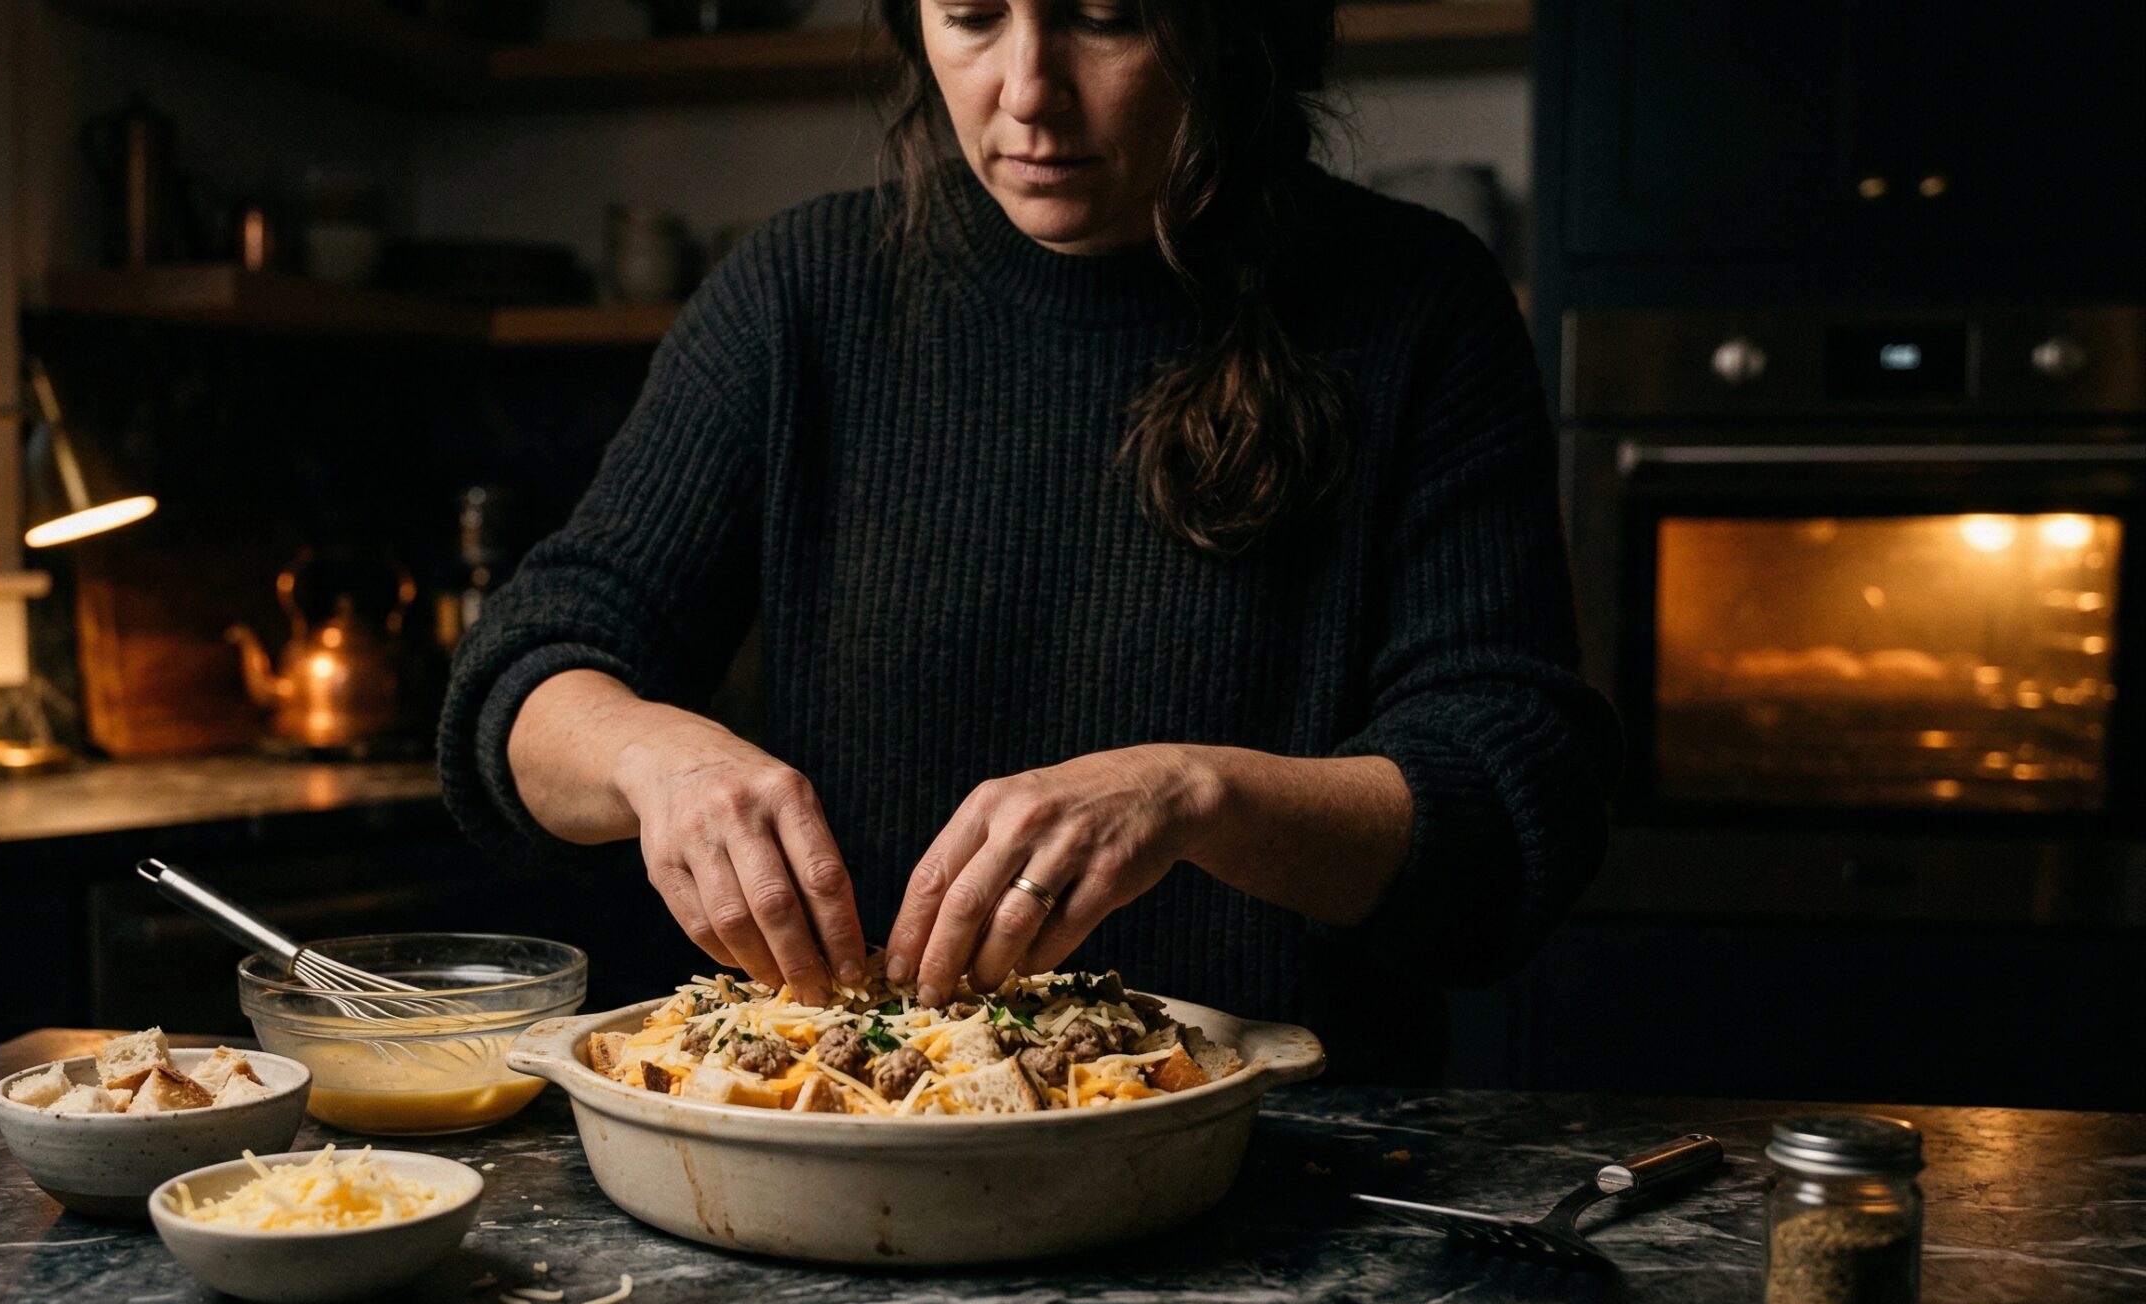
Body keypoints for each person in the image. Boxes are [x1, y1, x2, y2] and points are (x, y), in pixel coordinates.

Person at [440, 0, 1620, 1078]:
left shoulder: (1418, 300)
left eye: (1104, 19)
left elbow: (1512, 806)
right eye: (969, 17)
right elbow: (524, 677)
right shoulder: (798, 293)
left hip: (1298, 1165)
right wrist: (656, 760)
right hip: (857, 1155)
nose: (1027, 93)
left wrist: (1196, 795)